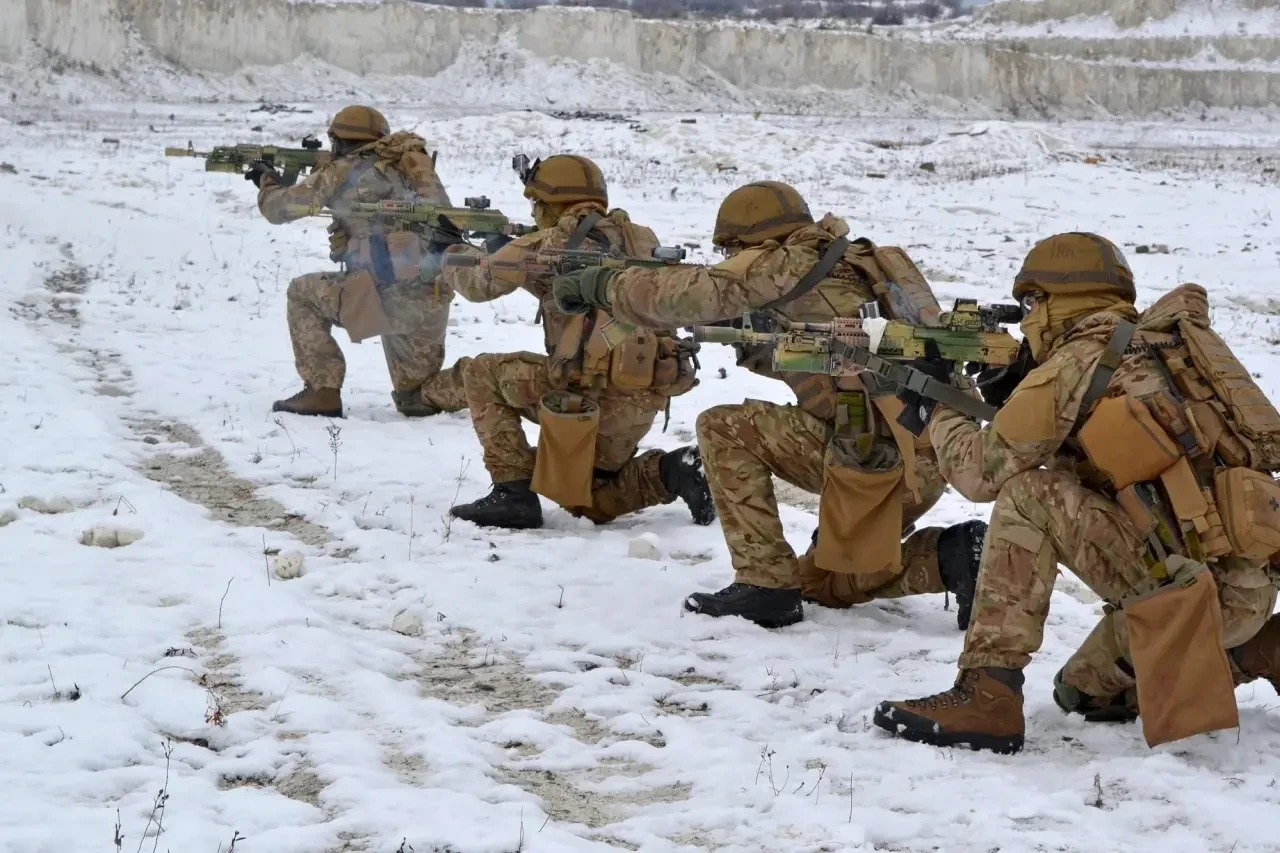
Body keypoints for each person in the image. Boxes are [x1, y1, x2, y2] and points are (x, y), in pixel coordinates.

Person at [872, 233, 1280, 753]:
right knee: (1081, 693)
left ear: (1051, 301)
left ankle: (987, 694)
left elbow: (979, 474)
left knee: (1029, 495)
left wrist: (938, 404)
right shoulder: (1165, 348)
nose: (1025, 322)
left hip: (1186, 594)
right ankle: (1262, 650)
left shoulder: (1077, 361)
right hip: (1245, 592)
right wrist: (1012, 389)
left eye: (1029, 305)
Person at [552, 181, 986, 629]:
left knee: (723, 427)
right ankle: (954, 556)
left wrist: (601, 284)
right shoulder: (866, 262)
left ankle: (764, 585)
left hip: (873, 462)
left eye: (731, 251)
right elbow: (823, 358)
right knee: (823, 582)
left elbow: (677, 296)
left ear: (752, 241)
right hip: (931, 454)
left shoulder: (782, 263)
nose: (730, 261)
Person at [436, 154, 713, 530]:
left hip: (587, 394)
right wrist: (508, 248)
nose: (533, 212)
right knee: (592, 501)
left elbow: (477, 284)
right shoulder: (641, 238)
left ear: (552, 203)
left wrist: (450, 251)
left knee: (481, 371)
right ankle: (674, 471)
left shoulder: (549, 242)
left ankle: (512, 493)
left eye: (536, 203)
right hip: (643, 396)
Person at [250, 105, 467, 419]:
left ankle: (322, 392)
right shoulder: (413, 166)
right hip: (430, 297)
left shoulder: (343, 170)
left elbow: (278, 209)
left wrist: (267, 181)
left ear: (338, 140)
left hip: (380, 296)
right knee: (416, 399)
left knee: (301, 292)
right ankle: (481, 383)